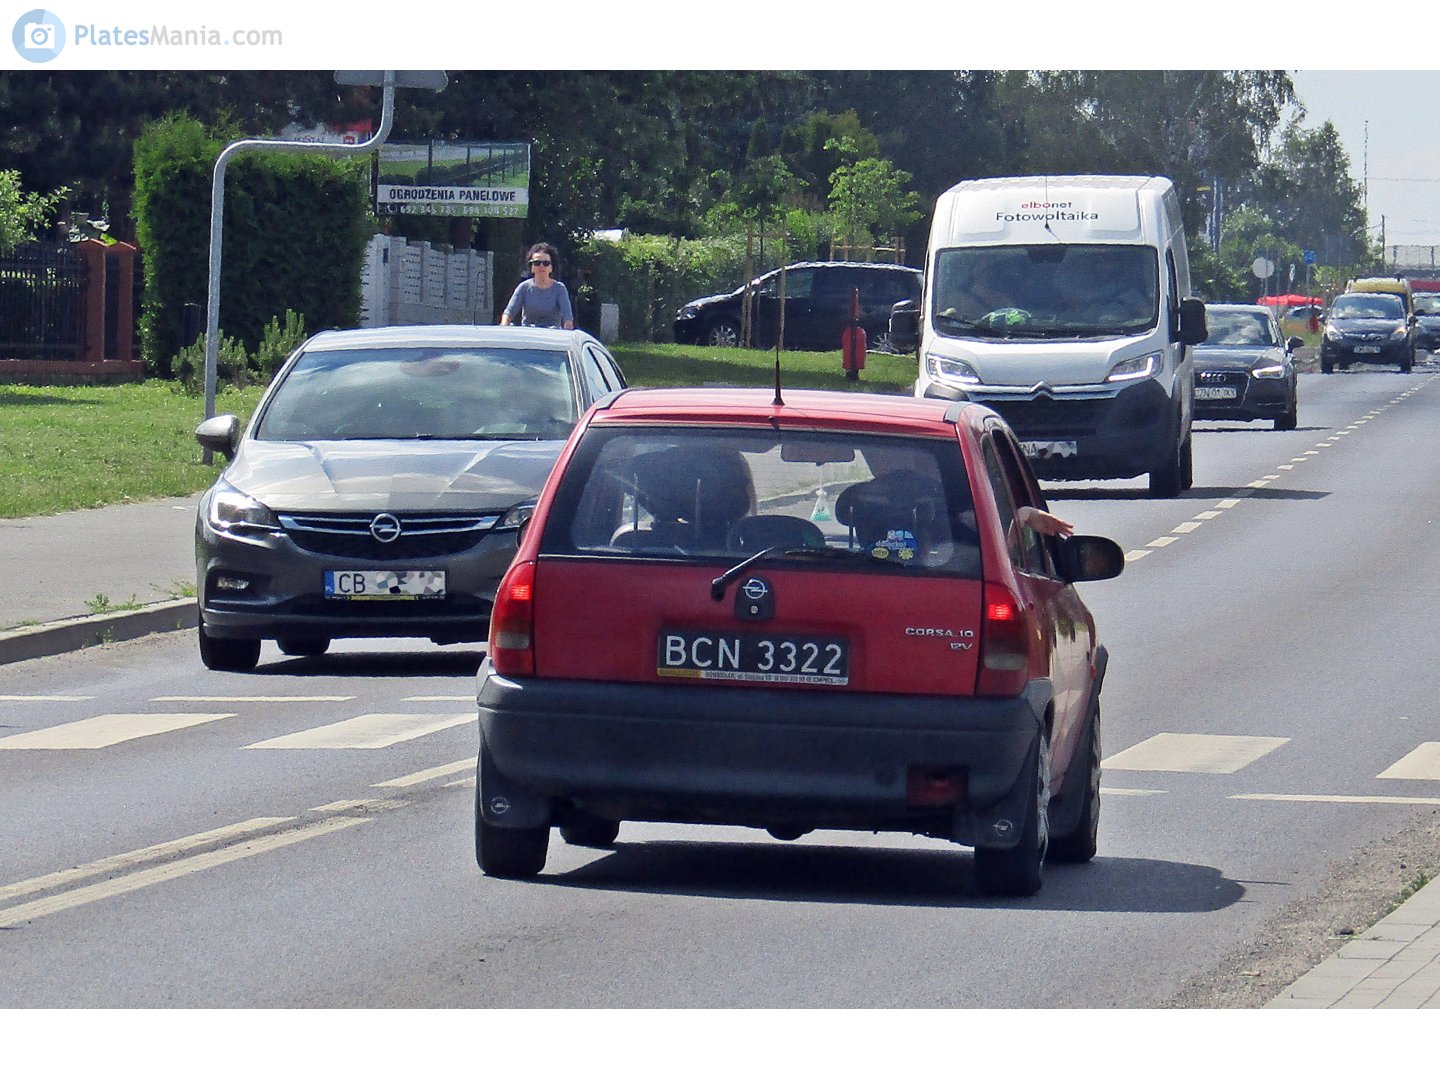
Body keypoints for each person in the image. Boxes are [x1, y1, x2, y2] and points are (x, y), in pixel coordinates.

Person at [500, 243, 574, 329]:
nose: (541, 266)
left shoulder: (560, 289)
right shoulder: (524, 287)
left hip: (552, 337)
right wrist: (503, 327)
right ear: (531, 267)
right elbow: (508, 313)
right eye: (537, 263)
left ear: (551, 267)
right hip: (528, 335)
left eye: (546, 263)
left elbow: (568, 319)